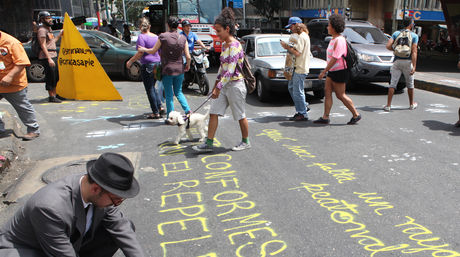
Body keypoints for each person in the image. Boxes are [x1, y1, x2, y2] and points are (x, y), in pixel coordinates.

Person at [0, 152, 146, 257]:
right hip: (30, 249)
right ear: (96, 189)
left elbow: (120, 227)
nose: (117, 204)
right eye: (116, 200)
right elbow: (62, 253)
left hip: (67, 240)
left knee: (123, 228)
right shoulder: (49, 207)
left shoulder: (95, 187)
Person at [192, 7, 250, 152]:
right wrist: (216, 84)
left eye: (218, 31)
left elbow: (230, 70)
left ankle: (246, 141)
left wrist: (219, 86)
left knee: (240, 115)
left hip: (236, 85)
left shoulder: (235, 46)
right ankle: (209, 143)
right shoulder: (224, 45)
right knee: (213, 112)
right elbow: (222, 68)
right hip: (224, 85)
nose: (216, 34)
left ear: (227, 29)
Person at [138, 17, 191, 118]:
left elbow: (153, 50)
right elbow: (188, 56)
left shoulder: (163, 37)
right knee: (179, 92)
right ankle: (188, 111)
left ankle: (170, 117)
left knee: (169, 94)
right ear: (178, 26)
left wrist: (144, 49)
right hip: (180, 69)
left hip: (167, 69)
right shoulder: (183, 38)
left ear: (168, 25)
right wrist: (187, 65)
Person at [314, 14, 361, 125]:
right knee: (328, 92)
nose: (327, 27)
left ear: (334, 27)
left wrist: (324, 71)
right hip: (333, 71)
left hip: (340, 71)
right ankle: (325, 117)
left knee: (340, 95)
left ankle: (356, 114)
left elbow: (335, 58)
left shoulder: (340, 40)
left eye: (329, 25)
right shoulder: (333, 39)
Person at [0, 31, 40, 141]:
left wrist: (9, 77)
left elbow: (21, 62)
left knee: (22, 107)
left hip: (13, 84)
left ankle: (33, 130)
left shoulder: (11, 42)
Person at [127, 18, 164, 119]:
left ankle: (155, 112)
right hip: (157, 64)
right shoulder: (156, 37)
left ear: (140, 27)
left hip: (148, 65)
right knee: (153, 87)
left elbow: (140, 53)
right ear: (149, 26)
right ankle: (160, 107)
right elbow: (159, 52)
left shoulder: (141, 37)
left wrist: (130, 61)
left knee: (150, 89)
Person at [384, 17, 419, 112]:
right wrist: (414, 66)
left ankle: (388, 105)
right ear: (411, 24)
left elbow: (388, 46)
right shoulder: (414, 36)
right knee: (410, 84)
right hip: (408, 62)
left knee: (393, 83)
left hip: (397, 61)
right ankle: (411, 104)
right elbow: (414, 52)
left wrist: (396, 50)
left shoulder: (396, 33)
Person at [280, 17, 311, 121]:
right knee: (292, 88)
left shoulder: (302, 37)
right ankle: (303, 106)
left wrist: (287, 47)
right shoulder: (302, 35)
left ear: (296, 25)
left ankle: (302, 113)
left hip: (300, 68)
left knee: (297, 90)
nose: (291, 29)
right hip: (298, 67)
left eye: (291, 26)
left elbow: (297, 53)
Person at [37, 11, 63, 103]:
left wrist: (60, 35)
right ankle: (51, 96)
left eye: (50, 17)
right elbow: (43, 45)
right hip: (47, 56)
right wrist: (49, 58)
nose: (50, 19)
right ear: (42, 20)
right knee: (50, 77)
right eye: (48, 18)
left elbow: (52, 42)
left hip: (53, 55)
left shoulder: (49, 29)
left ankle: (55, 95)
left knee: (55, 76)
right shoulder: (42, 30)